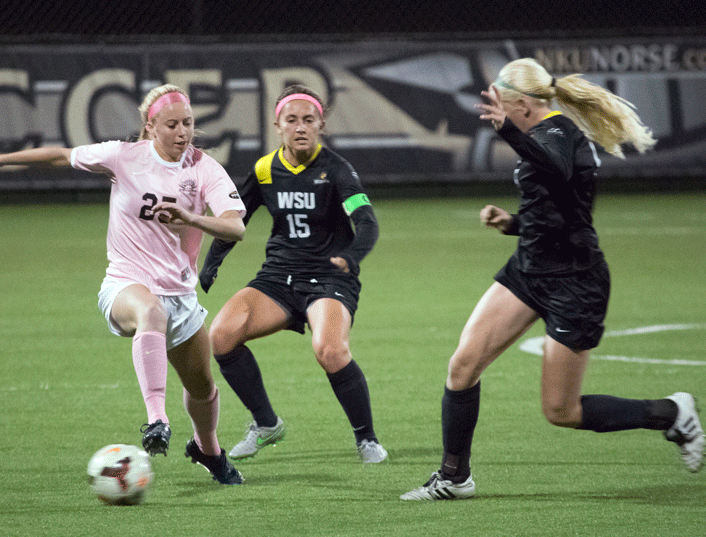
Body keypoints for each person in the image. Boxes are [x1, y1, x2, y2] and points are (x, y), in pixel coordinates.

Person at [401, 58, 704, 500]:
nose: (498, 110)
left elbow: (557, 169)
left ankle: (672, 413)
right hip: (528, 270)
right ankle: (454, 477)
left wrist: (507, 130)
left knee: (561, 411)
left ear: (523, 104)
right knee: (462, 366)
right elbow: (558, 208)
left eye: (505, 104)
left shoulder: (560, 133)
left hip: (574, 282)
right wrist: (514, 224)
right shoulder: (540, 135)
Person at [0, 84, 248, 485]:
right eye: (172, 125)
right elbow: (62, 155)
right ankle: (157, 419)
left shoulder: (203, 168)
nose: (182, 132)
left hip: (180, 293)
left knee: (202, 388)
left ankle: (208, 450)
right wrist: (0, 159)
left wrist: (192, 217)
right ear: (150, 127)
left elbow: (236, 227)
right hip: (126, 284)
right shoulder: (124, 157)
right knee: (150, 311)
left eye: (188, 123)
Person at [198, 84, 388, 463]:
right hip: (279, 277)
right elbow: (235, 220)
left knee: (330, 349)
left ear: (321, 124)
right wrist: (211, 263)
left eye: (309, 120)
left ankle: (367, 439)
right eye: (292, 120)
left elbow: (367, 222)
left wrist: (352, 256)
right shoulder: (266, 170)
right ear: (277, 125)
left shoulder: (336, 170)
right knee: (220, 336)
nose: (301, 127)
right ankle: (266, 424)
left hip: (329, 277)